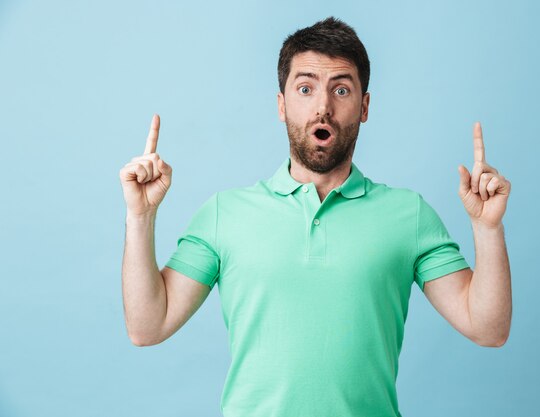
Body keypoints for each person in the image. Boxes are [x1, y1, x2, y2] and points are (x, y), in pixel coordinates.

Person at [119, 16, 512, 417]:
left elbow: (489, 329)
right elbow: (148, 327)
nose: (323, 107)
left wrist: (488, 228)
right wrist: (140, 217)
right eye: (305, 88)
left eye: (341, 89)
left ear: (364, 106)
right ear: (281, 104)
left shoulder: (408, 215)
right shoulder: (225, 213)